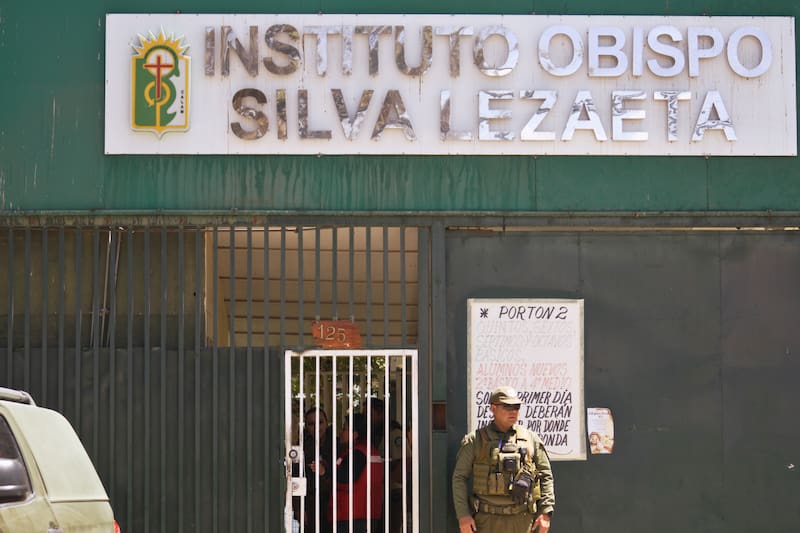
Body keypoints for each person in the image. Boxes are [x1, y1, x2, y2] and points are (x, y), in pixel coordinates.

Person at [452, 386, 555, 533]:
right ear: (493, 408)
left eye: (516, 407)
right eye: (507, 406)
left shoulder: (530, 439)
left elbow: (546, 475)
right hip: (487, 521)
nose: (513, 411)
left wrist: (546, 512)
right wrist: (463, 516)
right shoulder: (476, 441)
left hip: (522, 520)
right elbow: (459, 478)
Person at [326, 413, 384, 533]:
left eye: (344, 429)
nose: (341, 433)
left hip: (351, 515)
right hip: (368, 513)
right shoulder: (371, 451)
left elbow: (346, 475)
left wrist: (324, 470)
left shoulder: (357, 453)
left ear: (355, 434)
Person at [303, 407, 334, 533]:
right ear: (306, 426)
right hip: (310, 505)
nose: (316, 427)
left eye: (320, 422)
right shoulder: (303, 448)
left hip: (333, 504)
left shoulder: (337, 445)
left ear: (327, 423)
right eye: (311, 424)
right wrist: (300, 508)